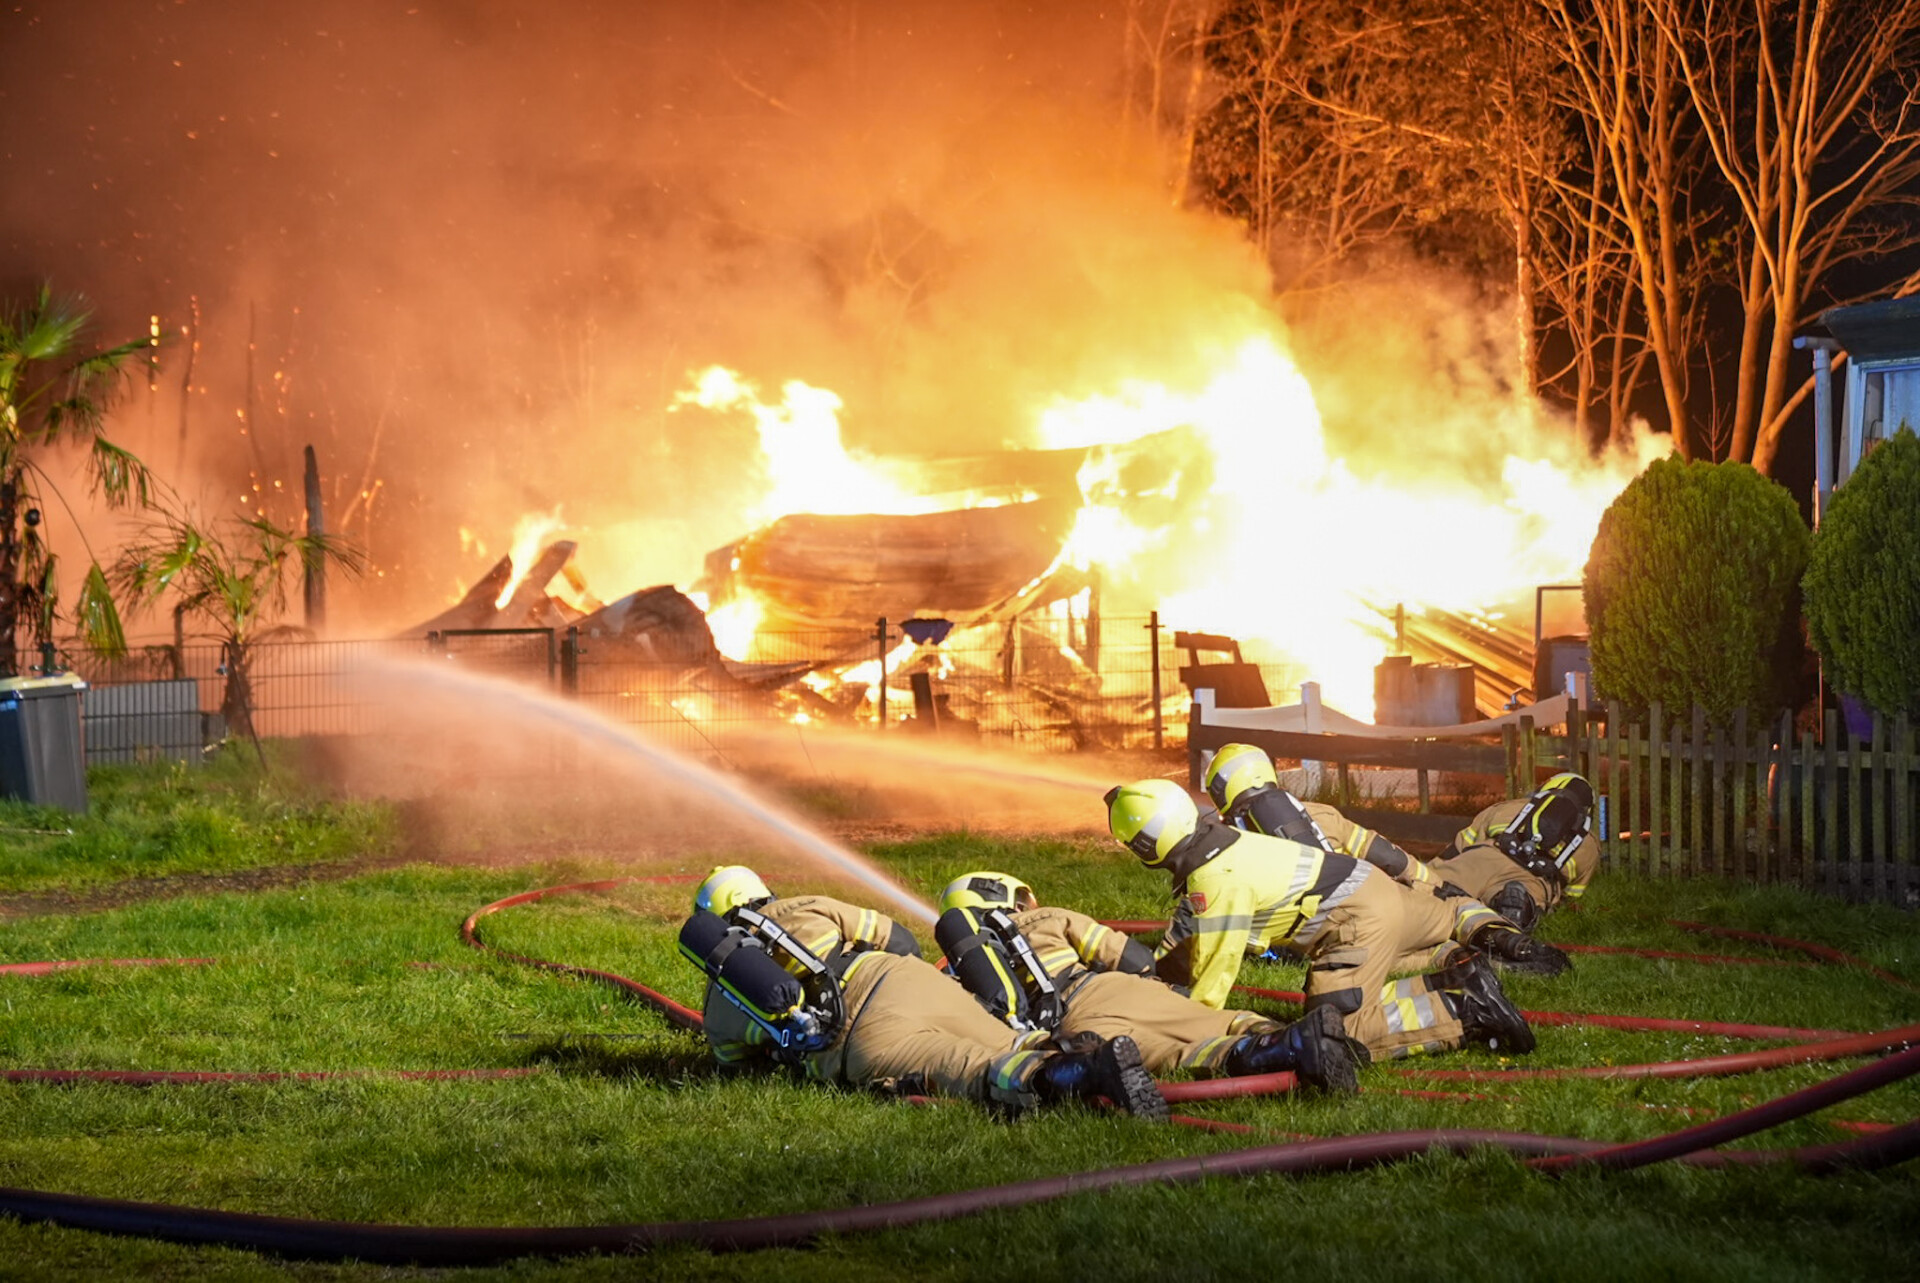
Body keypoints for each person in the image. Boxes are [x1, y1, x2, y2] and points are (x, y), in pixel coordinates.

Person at [680, 865, 1168, 1120]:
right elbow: (901, 941)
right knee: (1010, 1040)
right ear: (764, 892)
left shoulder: (722, 996)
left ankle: (1078, 1073)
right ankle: (1095, 1053)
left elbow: (738, 1065)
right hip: (904, 979)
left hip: (864, 1039)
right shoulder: (810, 905)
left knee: (975, 1068)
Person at [1105, 779, 1537, 1060]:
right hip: (1369, 892)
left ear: (1145, 845)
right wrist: (1154, 977)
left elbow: (1212, 976)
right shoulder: (1220, 845)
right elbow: (1190, 940)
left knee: (1337, 1036)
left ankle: (1464, 1010)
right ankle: (1455, 985)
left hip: (1356, 921)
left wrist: (1179, 1029)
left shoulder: (1217, 879)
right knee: (1334, 1016)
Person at [936, 870, 1364, 1093]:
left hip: (1074, 1024)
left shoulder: (960, 971)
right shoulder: (1050, 917)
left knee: (1171, 1053)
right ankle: (1292, 1037)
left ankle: (1263, 1053)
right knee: (1214, 1019)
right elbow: (1135, 959)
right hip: (1111, 987)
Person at [1201, 743, 1572, 975]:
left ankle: (1459, 959)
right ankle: (1503, 938)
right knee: (1454, 908)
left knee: (1390, 954)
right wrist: (1438, 885)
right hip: (1380, 900)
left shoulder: (1228, 853)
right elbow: (1388, 856)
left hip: (1328, 941)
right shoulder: (1322, 814)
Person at [1429, 773, 1597, 932]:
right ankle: (1513, 905)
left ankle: (1446, 895)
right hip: (1535, 879)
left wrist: (1434, 869)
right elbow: (1572, 895)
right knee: (1524, 898)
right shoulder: (1589, 844)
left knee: (1430, 886)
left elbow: (1460, 845)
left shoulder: (1508, 807)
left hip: (1484, 858)